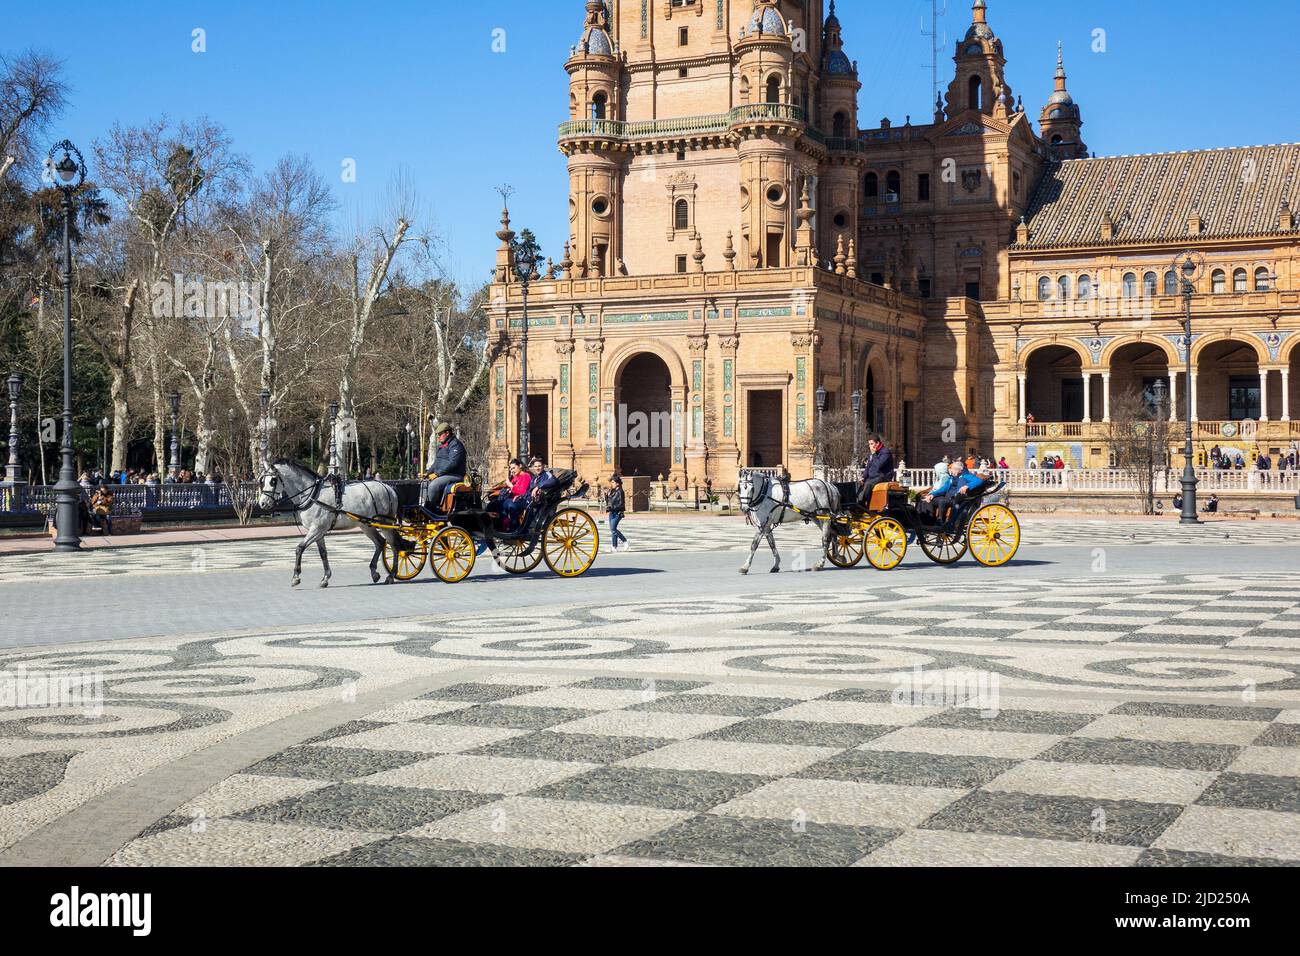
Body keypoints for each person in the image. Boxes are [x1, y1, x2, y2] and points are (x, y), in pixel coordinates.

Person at [921, 460, 984, 529]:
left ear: (959, 471)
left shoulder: (966, 476)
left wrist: (967, 486)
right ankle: (928, 521)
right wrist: (932, 495)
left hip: (956, 499)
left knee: (942, 501)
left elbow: (979, 481)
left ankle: (940, 523)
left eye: (953, 469)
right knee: (928, 500)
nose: (950, 470)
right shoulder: (951, 478)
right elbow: (944, 488)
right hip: (947, 498)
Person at [424, 421, 467, 514]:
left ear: (447, 433)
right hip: (444, 474)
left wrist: (437, 474)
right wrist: (427, 473)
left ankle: (430, 511)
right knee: (422, 483)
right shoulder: (442, 446)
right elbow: (436, 463)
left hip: (455, 475)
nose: (438, 437)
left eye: (440, 434)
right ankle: (422, 506)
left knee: (433, 486)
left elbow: (453, 463)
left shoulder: (456, 445)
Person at [859, 434, 896, 507]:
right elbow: (868, 468)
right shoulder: (873, 454)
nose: (870, 446)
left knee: (868, 484)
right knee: (859, 484)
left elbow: (878, 465)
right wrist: (863, 477)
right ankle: (855, 503)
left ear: (878, 443)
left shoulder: (885, 452)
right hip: (874, 477)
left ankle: (862, 504)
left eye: (872, 444)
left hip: (883, 477)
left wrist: (874, 455)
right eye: (869, 444)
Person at [606, 474, 629, 551]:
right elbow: (609, 502)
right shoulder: (612, 491)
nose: (611, 484)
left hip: (617, 513)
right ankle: (614, 547)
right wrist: (607, 495)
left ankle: (625, 541)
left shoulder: (620, 492)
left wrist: (612, 508)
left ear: (617, 483)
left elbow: (621, 504)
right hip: (612, 512)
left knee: (613, 529)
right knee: (613, 529)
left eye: (613, 482)